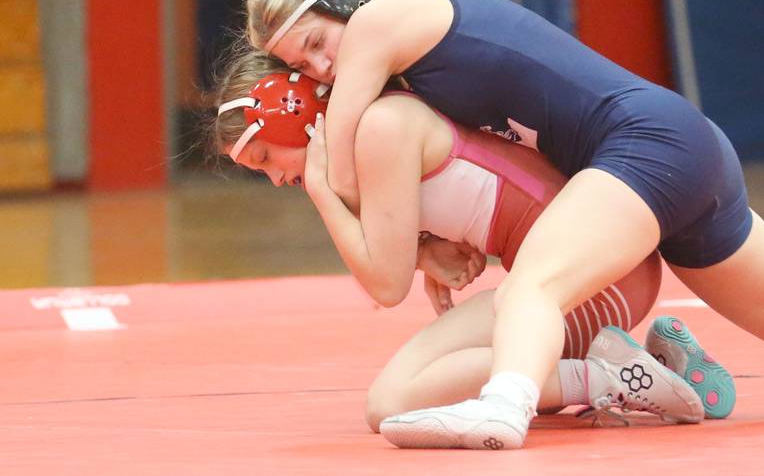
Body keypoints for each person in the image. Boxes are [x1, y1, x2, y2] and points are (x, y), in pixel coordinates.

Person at [242, 0, 764, 449]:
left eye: (316, 44)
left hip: (646, 145)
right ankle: (609, 374)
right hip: (676, 148)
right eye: (303, 67)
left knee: (529, 290)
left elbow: (342, 171)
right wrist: (427, 242)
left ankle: (505, 404)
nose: (322, 72)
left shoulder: (377, 22)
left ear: (342, 3)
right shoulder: (409, 63)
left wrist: (326, 173)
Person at [209, 55, 737, 442]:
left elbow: (386, 286)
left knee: (390, 402)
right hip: (598, 278)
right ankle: (642, 362)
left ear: (292, 113)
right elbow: (484, 196)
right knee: (424, 384)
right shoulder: (390, 118)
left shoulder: (384, 128)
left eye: (264, 158)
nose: (276, 179)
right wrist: (429, 248)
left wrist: (324, 195)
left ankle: (618, 376)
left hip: (585, 289)